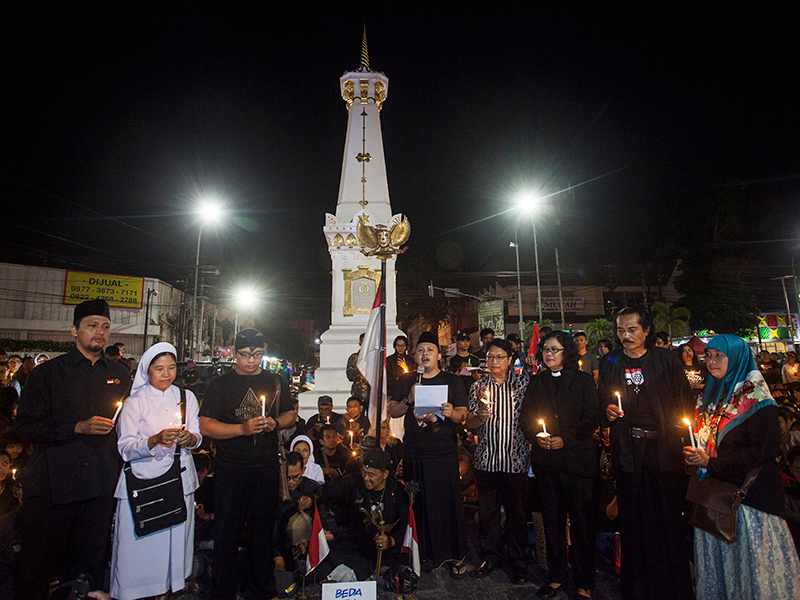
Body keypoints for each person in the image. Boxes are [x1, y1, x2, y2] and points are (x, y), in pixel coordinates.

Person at [15, 299, 132, 599]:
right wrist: (76, 427)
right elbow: (26, 426)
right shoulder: (48, 374)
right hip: (53, 489)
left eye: (105, 327)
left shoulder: (120, 375)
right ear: (74, 330)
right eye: (92, 326)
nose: (100, 333)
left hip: (98, 489)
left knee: (88, 574)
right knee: (36, 570)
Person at [684, 334, 800, 599]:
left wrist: (711, 463)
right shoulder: (711, 395)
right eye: (709, 356)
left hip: (751, 504)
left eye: (719, 356)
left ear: (737, 357)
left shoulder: (758, 399)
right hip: (715, 503)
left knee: (755, 575)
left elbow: (764, 450)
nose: (711, 362)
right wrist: (696, 455)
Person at [598, 307, 694, 600]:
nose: (625, 336)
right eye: (620, 331)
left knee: (667, 518)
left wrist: (683, 435)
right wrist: (607, 411)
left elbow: (683, 400)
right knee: (632, 520)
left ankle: (673, 587)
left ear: (646, 331)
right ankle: (635, 588)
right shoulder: (610, 362)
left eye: (631, 330)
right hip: (628, 450)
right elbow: (601, 398)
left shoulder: (666, 360)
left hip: (662, 449)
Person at [199, 328, 295, 600]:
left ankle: (262, 589)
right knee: (227, 533)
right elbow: (205, 424)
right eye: (245, 355)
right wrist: (241, 429)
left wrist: (274, 423)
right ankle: (223, 592)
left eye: (256, 355)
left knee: (262, 533)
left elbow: (290, 415)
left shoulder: (275, 381)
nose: (251, 361)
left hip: (264, 468)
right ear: (234, 352)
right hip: (231, 469)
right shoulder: (221, 385)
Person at [110, 342, 202, 600]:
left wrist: (189, 440)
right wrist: (154, 440)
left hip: (179, 480)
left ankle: (169, 589)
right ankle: (136, 591)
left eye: (171, 368)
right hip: (143, 482)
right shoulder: (135, 402)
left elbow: (198, 436)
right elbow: (125, 448)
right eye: (159, 368)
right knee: (140, 545)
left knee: (174, 541)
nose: (166, 374)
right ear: (147, 370)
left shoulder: (187, 398)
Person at [520, 331, 599, 600]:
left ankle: (584, 580)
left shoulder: (583, 381)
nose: (548, 354)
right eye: (545, 350)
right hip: (548, 464)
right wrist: (537, 437)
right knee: (552, 522)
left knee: (581, 523)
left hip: (577, 463)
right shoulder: (537, 382)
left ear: (567, 352)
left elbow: (591, 418)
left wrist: (565, 439)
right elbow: (527, 418)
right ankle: (556, 577)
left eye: (554, 349)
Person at [389, 331, 468, 577]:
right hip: (416, 451)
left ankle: (453, 554)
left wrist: (451, 412)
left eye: (430, 350)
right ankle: (422, 554)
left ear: (438, 355)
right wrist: (409, 398)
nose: (425, 354)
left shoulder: (452, 381)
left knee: (446, 503)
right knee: (419, 503)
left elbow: (463, 414)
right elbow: (393, 411)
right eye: (421, 350)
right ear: (415, 355)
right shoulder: (407, 380)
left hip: (443, 451)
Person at [465, 338, 530, 584]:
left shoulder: (523, 384)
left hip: (516, 461)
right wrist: (479, 418)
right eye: (490, 357)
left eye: (499, 357)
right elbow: (469, 423)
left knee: (516, 514)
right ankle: (490, 557)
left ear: (509, 360)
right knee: (488, 514)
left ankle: (518, 562)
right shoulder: (478, 387)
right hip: (487, 460)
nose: (493, 362)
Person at [318, 449, 408, 581]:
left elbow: (404, 522)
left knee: (408, 556)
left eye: (371, 475)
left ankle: (376, 567)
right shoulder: (354, 482)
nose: (366, 478)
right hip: (357, 543)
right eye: (364, 473)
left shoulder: (397, 492)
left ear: (385, 474)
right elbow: (330, 490)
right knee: (333, 550)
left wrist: (391, 540)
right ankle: (374, 568)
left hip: (385, 547)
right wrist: (312, 496)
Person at [386, 335, 417, 399]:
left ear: (406, 346)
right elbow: (386, 377)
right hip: (392, 392)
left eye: (403, 346)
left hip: (407, 392)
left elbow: (413, 376)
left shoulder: (410, 360)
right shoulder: (389, 360)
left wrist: (405, 367)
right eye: (398, 346)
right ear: (395, 346)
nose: (401, 348)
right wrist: (396, 381)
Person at [346, 333, 370, 404]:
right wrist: (360, 367)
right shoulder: (354, 358)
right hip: (357, 394)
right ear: (360, 343)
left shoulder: (375, 358)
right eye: (363, 342)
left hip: (371, 394)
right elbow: (350, 376)